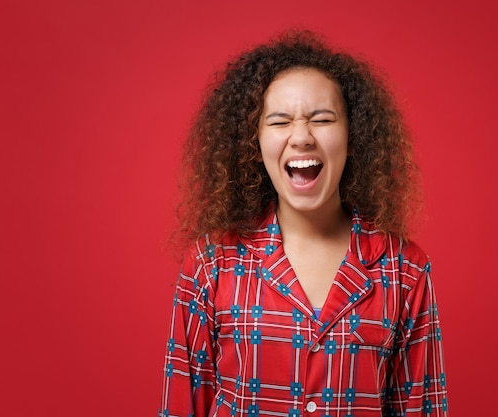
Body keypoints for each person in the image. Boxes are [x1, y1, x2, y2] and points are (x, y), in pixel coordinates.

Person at [159, 30, 448, 417]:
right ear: (254, 142)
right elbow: (183, 404)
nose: (301, 137)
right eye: (279, 122)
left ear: (352, 136)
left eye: (322, 119)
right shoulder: (211, 264)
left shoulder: (405, 271)